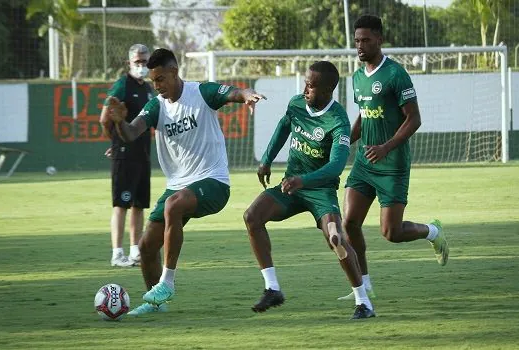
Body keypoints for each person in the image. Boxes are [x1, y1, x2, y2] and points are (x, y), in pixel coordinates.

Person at [102, 48, 266, 316]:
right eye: (154, 81)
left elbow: (234, 92)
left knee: (173, 205)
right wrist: (120, 123)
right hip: (179, 185)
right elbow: (131, 133)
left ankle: (167, 283)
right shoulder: (157, 105)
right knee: (145, 247)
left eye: (160, 79)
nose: (156, 86)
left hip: (213, 181)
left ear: (174, 72)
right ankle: (157, 305)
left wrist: (248, 96)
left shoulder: (200, 92)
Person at [243, 61, 375, 319]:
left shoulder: (338, 122)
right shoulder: (296, 104)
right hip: (291, 185)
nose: (305, 89)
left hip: (320, 191)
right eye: (305, 83)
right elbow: (284, 126)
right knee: (252, 216)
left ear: (327, 90)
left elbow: (336, 165)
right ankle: (272, 288)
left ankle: (364, 302)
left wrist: (304, 180)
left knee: (336, 238)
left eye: (311, 86)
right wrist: (266, 160)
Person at [338, 15, 449, 301]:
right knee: (349, 223)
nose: (360, 46)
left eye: (366, 40)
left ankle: (433, 232)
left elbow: (414, 119)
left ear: (379, 40)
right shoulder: (358, 77)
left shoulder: (396, 75)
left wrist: (387, 147)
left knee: (391, 233)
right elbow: (364, 116)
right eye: (357, 41)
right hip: (364, 163)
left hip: (392, 164)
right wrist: (343, 143)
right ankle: (363, 284)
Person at [100, 44, 155, 267]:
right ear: (129, 63)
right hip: (124, 154)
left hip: (143, 153)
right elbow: (104, 118)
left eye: (145, 62)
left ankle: (135, 251)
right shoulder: (122, 85)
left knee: (139, 205)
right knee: (121, 204)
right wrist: (115, 141)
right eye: (137, 62)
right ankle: (117, 253)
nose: (141, 66)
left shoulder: (148, 89)